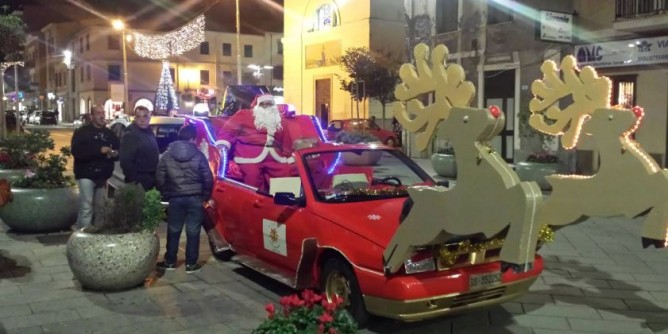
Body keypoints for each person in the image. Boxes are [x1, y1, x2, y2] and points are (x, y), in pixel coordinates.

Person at [155, 124, 213, 273]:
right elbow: (208, 178)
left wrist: (167, 193)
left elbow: (160, 177)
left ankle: (170, 261)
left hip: (175, 198)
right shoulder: (199, 155)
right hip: (195, 197)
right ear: (193, 138)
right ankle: (191, 264)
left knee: (173, 229)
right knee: (193, 231)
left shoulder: (167, 155)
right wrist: (205, 196)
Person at [216, 94, 293, 189]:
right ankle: (256, 202)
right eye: (263, 104)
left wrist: (290, 156)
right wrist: (223, 145)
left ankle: (286, 202)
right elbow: (229, 130)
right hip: (249, 155)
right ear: (257, 105)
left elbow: (287, 141)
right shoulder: (244, 114)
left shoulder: (280, 120)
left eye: (270, 104)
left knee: (285, 174)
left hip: (275, 157)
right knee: (252, 177)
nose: (267, 106)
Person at [71, 105, 120, 229]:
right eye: (98, 113)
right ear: (92, 116)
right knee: (87, 206)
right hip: (86, 174)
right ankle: (83, 236)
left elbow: (117, 149)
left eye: (103, 112)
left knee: (101, 207)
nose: (102, 115)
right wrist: (99, 150)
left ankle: (98, 234)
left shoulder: (109, 133)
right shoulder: (82, 133)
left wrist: (114, 154)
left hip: (102, 176)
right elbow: (77, 152)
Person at [120, 106, 160, 190]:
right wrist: (137, 181)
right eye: (138, 116)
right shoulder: (130, 135)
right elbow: (126, 162)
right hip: (139, 183)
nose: (142, 119)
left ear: (149, 118)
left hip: (151, 181)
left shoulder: (149, 132)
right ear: (134, 118)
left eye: (145, 116)